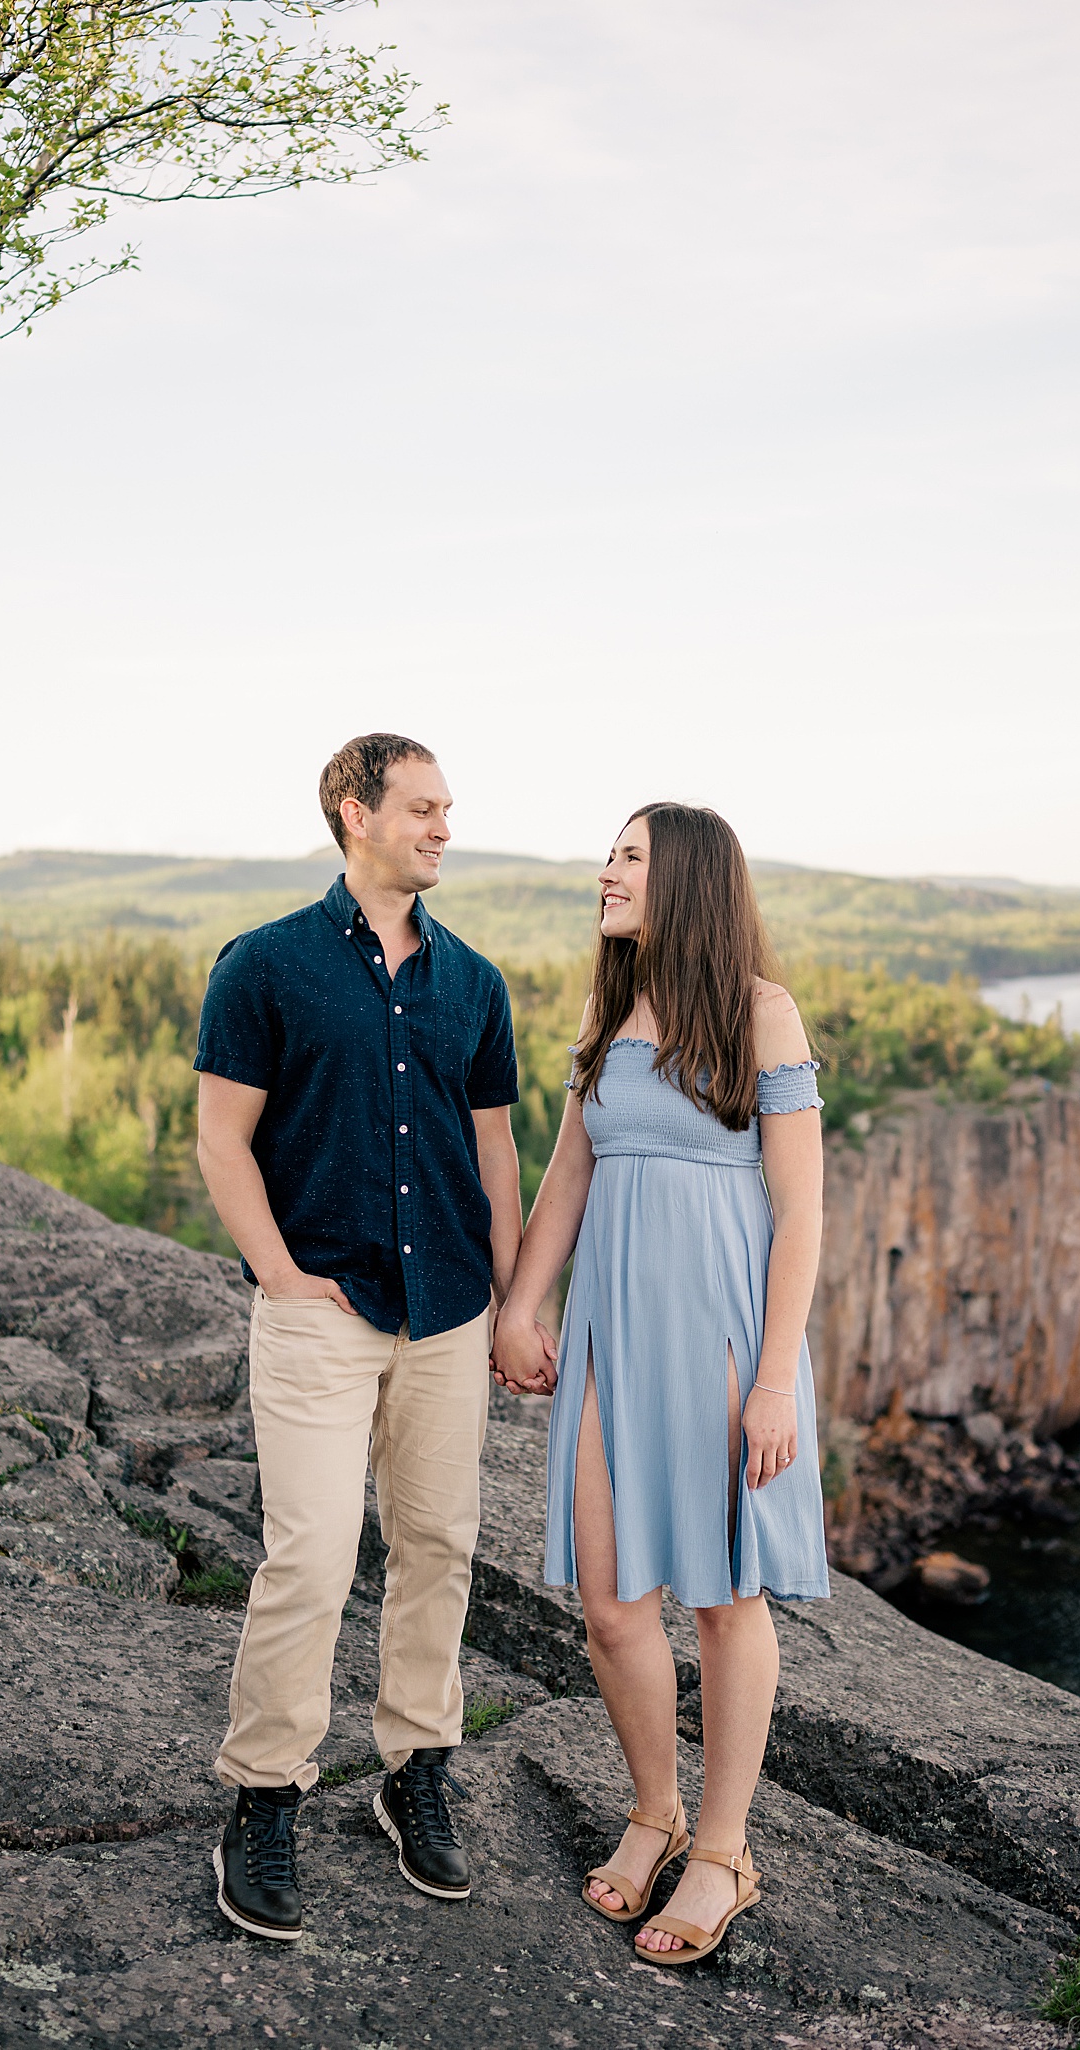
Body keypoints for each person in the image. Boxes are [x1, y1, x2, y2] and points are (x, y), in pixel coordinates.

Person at [195, 732, 522, 1940]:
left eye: (449, 809)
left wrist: (513, 1300)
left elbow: (494, 1151)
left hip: (446, 1311)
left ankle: (414, 1770)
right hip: (319, 1311)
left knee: (437, 1543)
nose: (444, 827)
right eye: (423, 808)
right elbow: (222, 1138)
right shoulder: (267, 965)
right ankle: (266, 1792)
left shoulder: (473, 983)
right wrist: (279, 1275)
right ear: (355, 812)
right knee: (315, 1554)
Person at [491, 801, 829, 1966]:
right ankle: (655, 1808)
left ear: (683, 877)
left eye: (629, 857)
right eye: (609, 854)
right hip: (607, 1333)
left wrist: (776, 1381)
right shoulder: (607, 1007)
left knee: (726, 1599)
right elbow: (568, 1176)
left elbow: (802, 1212)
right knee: (608, 1599)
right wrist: (523, 1307)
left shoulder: (758, 1012)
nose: (606, 872)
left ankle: (723, 1850)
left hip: (726, 1337)